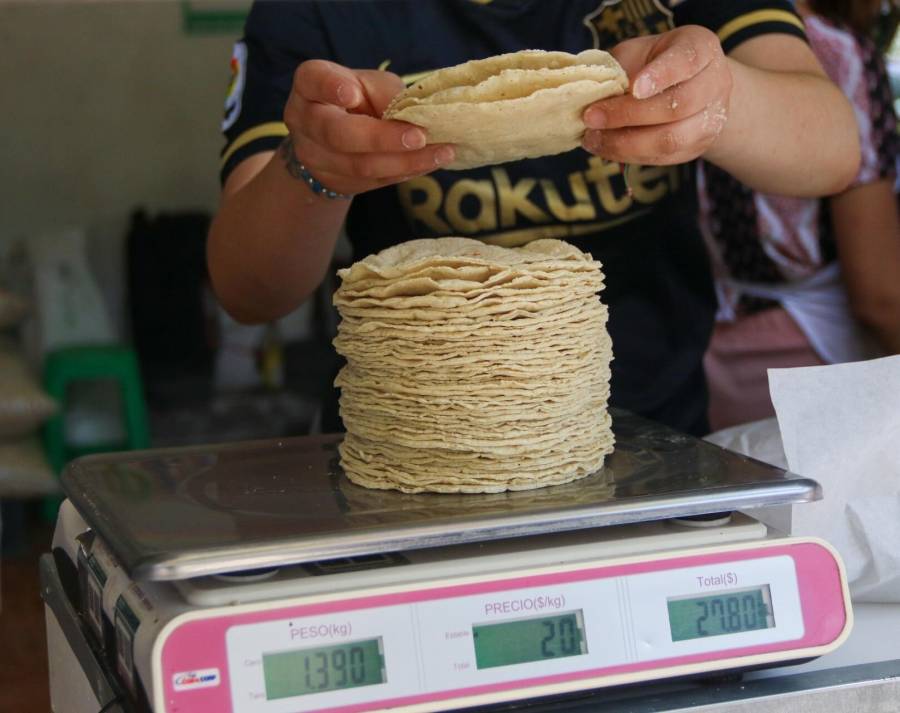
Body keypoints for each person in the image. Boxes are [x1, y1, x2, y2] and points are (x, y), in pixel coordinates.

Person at [208, 0, 860, 437]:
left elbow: (833, 147)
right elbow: (249, 288)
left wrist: (721, 100)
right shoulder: (322, 12)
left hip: (652, 436)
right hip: (411, 437)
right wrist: (317, 166)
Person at [701, 0, 900, 432]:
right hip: (815, 361)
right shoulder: (838, 53)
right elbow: (879, 296)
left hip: (708, 347)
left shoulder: (694, 40)